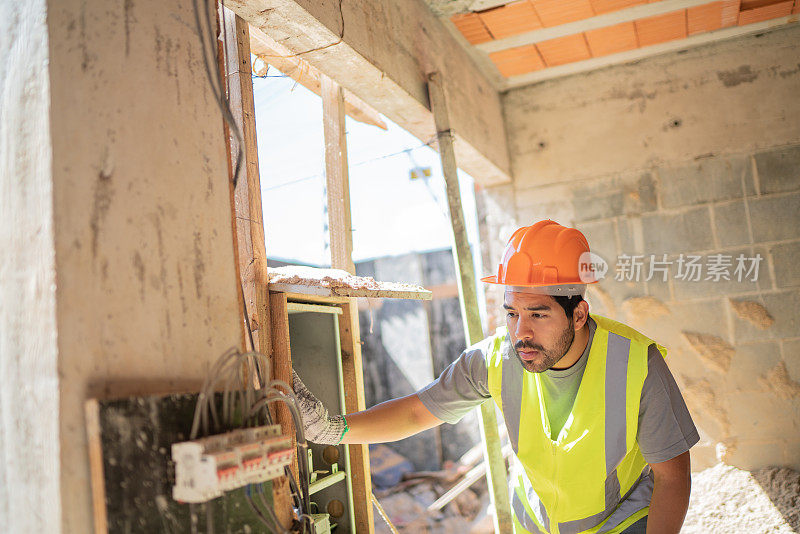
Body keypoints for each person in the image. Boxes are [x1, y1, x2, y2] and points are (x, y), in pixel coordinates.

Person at [293, 219, 699, 534]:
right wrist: (332, 430)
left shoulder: (637, 364)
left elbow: (672, 477)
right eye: (512, 313)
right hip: (536, 524)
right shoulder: (495, 359)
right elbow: (419, 413)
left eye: (538, 314)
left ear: (578, 314)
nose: (521, 331)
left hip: (620, 523)